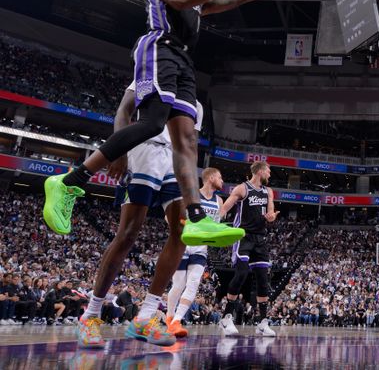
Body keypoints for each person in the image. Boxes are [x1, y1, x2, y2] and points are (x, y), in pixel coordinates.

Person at [42, 0, 287, 247]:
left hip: (183, 61)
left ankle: (197, 219)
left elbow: (234, 0)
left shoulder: (195, 1)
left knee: (187, 140)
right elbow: (181, 0)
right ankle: (69, 182)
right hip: (159, 49)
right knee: (153, 123)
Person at [75, 85, 204, 348]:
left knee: (181, 232)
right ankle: (90, 315)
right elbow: (123, 111)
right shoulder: (152, 77)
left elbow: (190, 144)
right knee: (128, 234)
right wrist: (119, 150)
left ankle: (145, 317)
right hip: (141, 150)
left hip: (176, 161)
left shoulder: (196, 104)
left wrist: (193, 187)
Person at [217, 162, 280, 336]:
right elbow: (225, 207)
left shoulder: (268, 191)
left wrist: (271, 216)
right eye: (268, 170)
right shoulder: (242, 189)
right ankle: (226, 317)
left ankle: (262, 322)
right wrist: (212, 222)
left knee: (262, 279)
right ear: (260, 171)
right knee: (242, 273)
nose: (270, 173)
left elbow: (271, 213)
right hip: (243, 236)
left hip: (260, 239)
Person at [166, 167, 225, 338]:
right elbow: (169, 217)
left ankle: (177, 321)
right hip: (184, 243)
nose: (222, 181)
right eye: (220, 177)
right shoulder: (191, 196)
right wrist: (185, 226)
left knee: (193, 283)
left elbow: (214, 226)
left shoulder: (219, 201)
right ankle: (170, 317)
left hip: (201, 247)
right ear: (211, 178)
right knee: (178, 285)